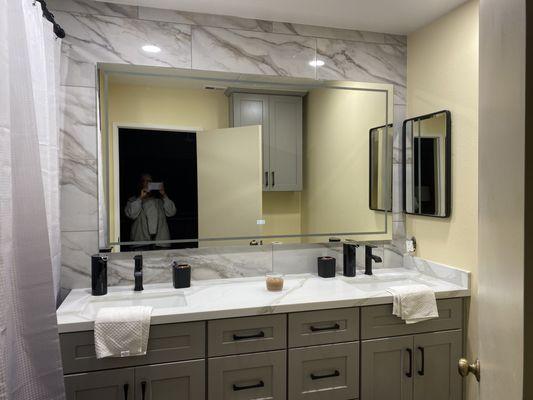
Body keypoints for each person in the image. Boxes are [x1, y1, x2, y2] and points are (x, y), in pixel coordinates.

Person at [124, 174, 176, 248]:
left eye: (150, 181)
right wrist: (140, 198)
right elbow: (131, 214)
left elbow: (171, 212)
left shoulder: (160, 201)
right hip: (141, 245)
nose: (147, 183)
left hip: (160, 244)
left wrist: (164, 195)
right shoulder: (132, 200)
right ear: (140, 183)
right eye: (144, 181)